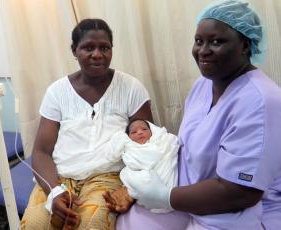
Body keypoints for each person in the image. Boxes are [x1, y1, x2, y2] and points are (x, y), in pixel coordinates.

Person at [116, 1, 281, 229]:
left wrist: (167, 197)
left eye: (216, 41)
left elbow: (241, 193)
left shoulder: (262, 102)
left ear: (245, 45)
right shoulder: (204, 84)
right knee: (124, 222)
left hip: (237, 211)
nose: (203, 51)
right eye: (198, 41)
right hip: (190, 196)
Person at [20, 18, 153, 230]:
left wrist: (131, 189)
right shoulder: (57, 92)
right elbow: (42, 151)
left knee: (91, 225)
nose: (97, 54)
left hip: (107, 177)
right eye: (88, 47)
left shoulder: (131, 88)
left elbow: (148, 145)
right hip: (60, 177)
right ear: (74, 50)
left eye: (104, 48)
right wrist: (54, 191)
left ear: (112, 50)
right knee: (35, 226)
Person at [103, 119, 179, 214]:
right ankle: (148, 194)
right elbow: (131, 164)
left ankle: (161, 195)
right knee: (128, 173)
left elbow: (167, 152)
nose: (140, 132)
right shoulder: (130, 147)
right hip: (138, 170)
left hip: (161, 170)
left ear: (152, 131)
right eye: (134, 132)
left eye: (144, 129)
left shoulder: (160, 143)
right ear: (128, 137)